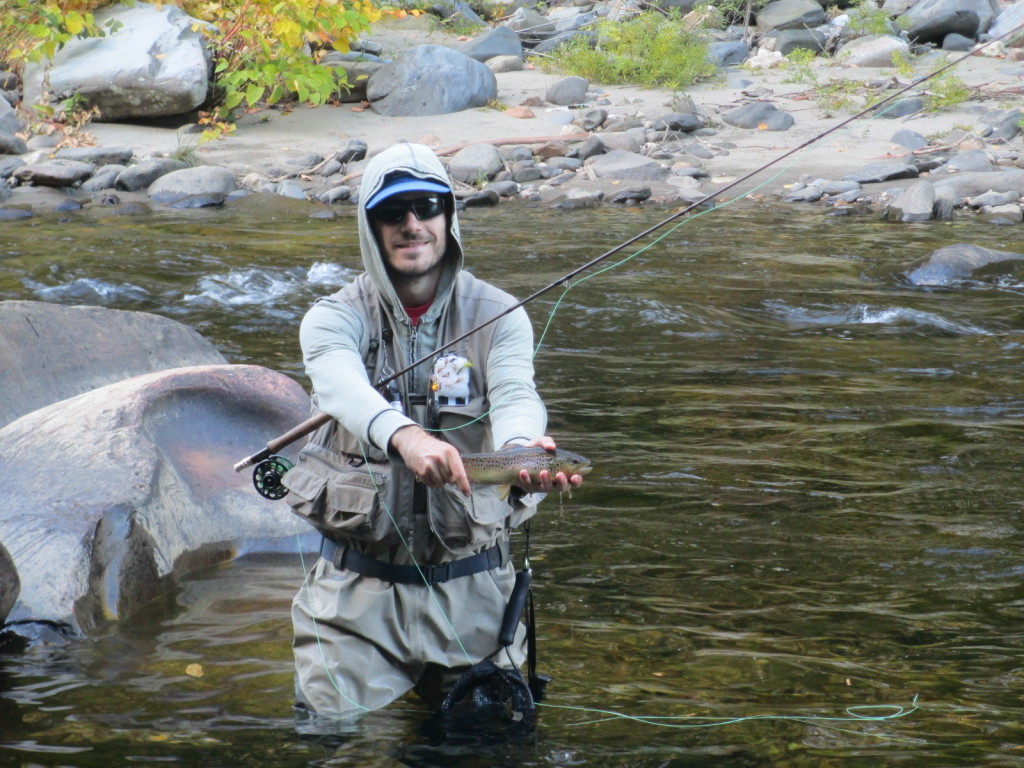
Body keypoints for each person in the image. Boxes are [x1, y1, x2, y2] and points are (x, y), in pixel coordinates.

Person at [284, 142, 584, 718]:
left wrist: (524, 451)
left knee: (489, 751)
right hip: (354, 601)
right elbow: (342, 388)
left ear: (448, 217)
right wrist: (406, 437)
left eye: (426, 207)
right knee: (339, 748)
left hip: (476, 595)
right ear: (370, 227)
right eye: (393, 213)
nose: (411, 225)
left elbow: (518, 394)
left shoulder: (500, 314)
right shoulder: (333, 317)